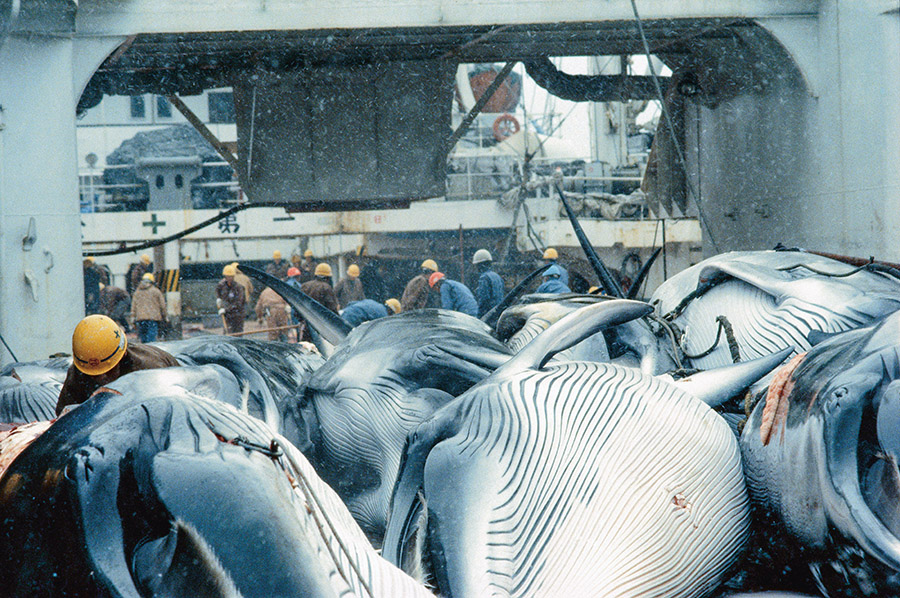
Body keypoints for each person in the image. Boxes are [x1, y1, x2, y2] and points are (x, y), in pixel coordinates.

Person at [55, 314, 179, 415]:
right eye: (94, 375)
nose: (101, 378)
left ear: (123, 355)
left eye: (108, 371)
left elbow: (172, 414)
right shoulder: (80, 371)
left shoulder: (151, 370)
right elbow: (64, 415)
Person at [130, 273, 167, 342]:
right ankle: (150, 350)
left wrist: (132, 317)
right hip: (153, 318)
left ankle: (144, 350)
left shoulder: (137, 292)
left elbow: (133, 306)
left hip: (140, 318)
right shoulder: (156, 291)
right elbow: (162, 305)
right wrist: (165, 316)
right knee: (152, 337)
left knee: (143, 337)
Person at [472, 249, 505, 317]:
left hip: (489, 315)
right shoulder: (497, 276)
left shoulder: (484, 278)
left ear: (480, 265)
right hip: (498, 313)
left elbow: (484, 300)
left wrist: (479, 317)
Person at [216, 264, 246, 334]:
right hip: (227, 315)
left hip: (238, 315)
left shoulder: (239, 287)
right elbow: (218, 291)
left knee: (237, 333)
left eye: (231, 277)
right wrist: (218, 299)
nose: (229, 278)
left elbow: (239, 303)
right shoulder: (221, 285)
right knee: (227, 333)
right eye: (228, 276)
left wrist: (226, 309)